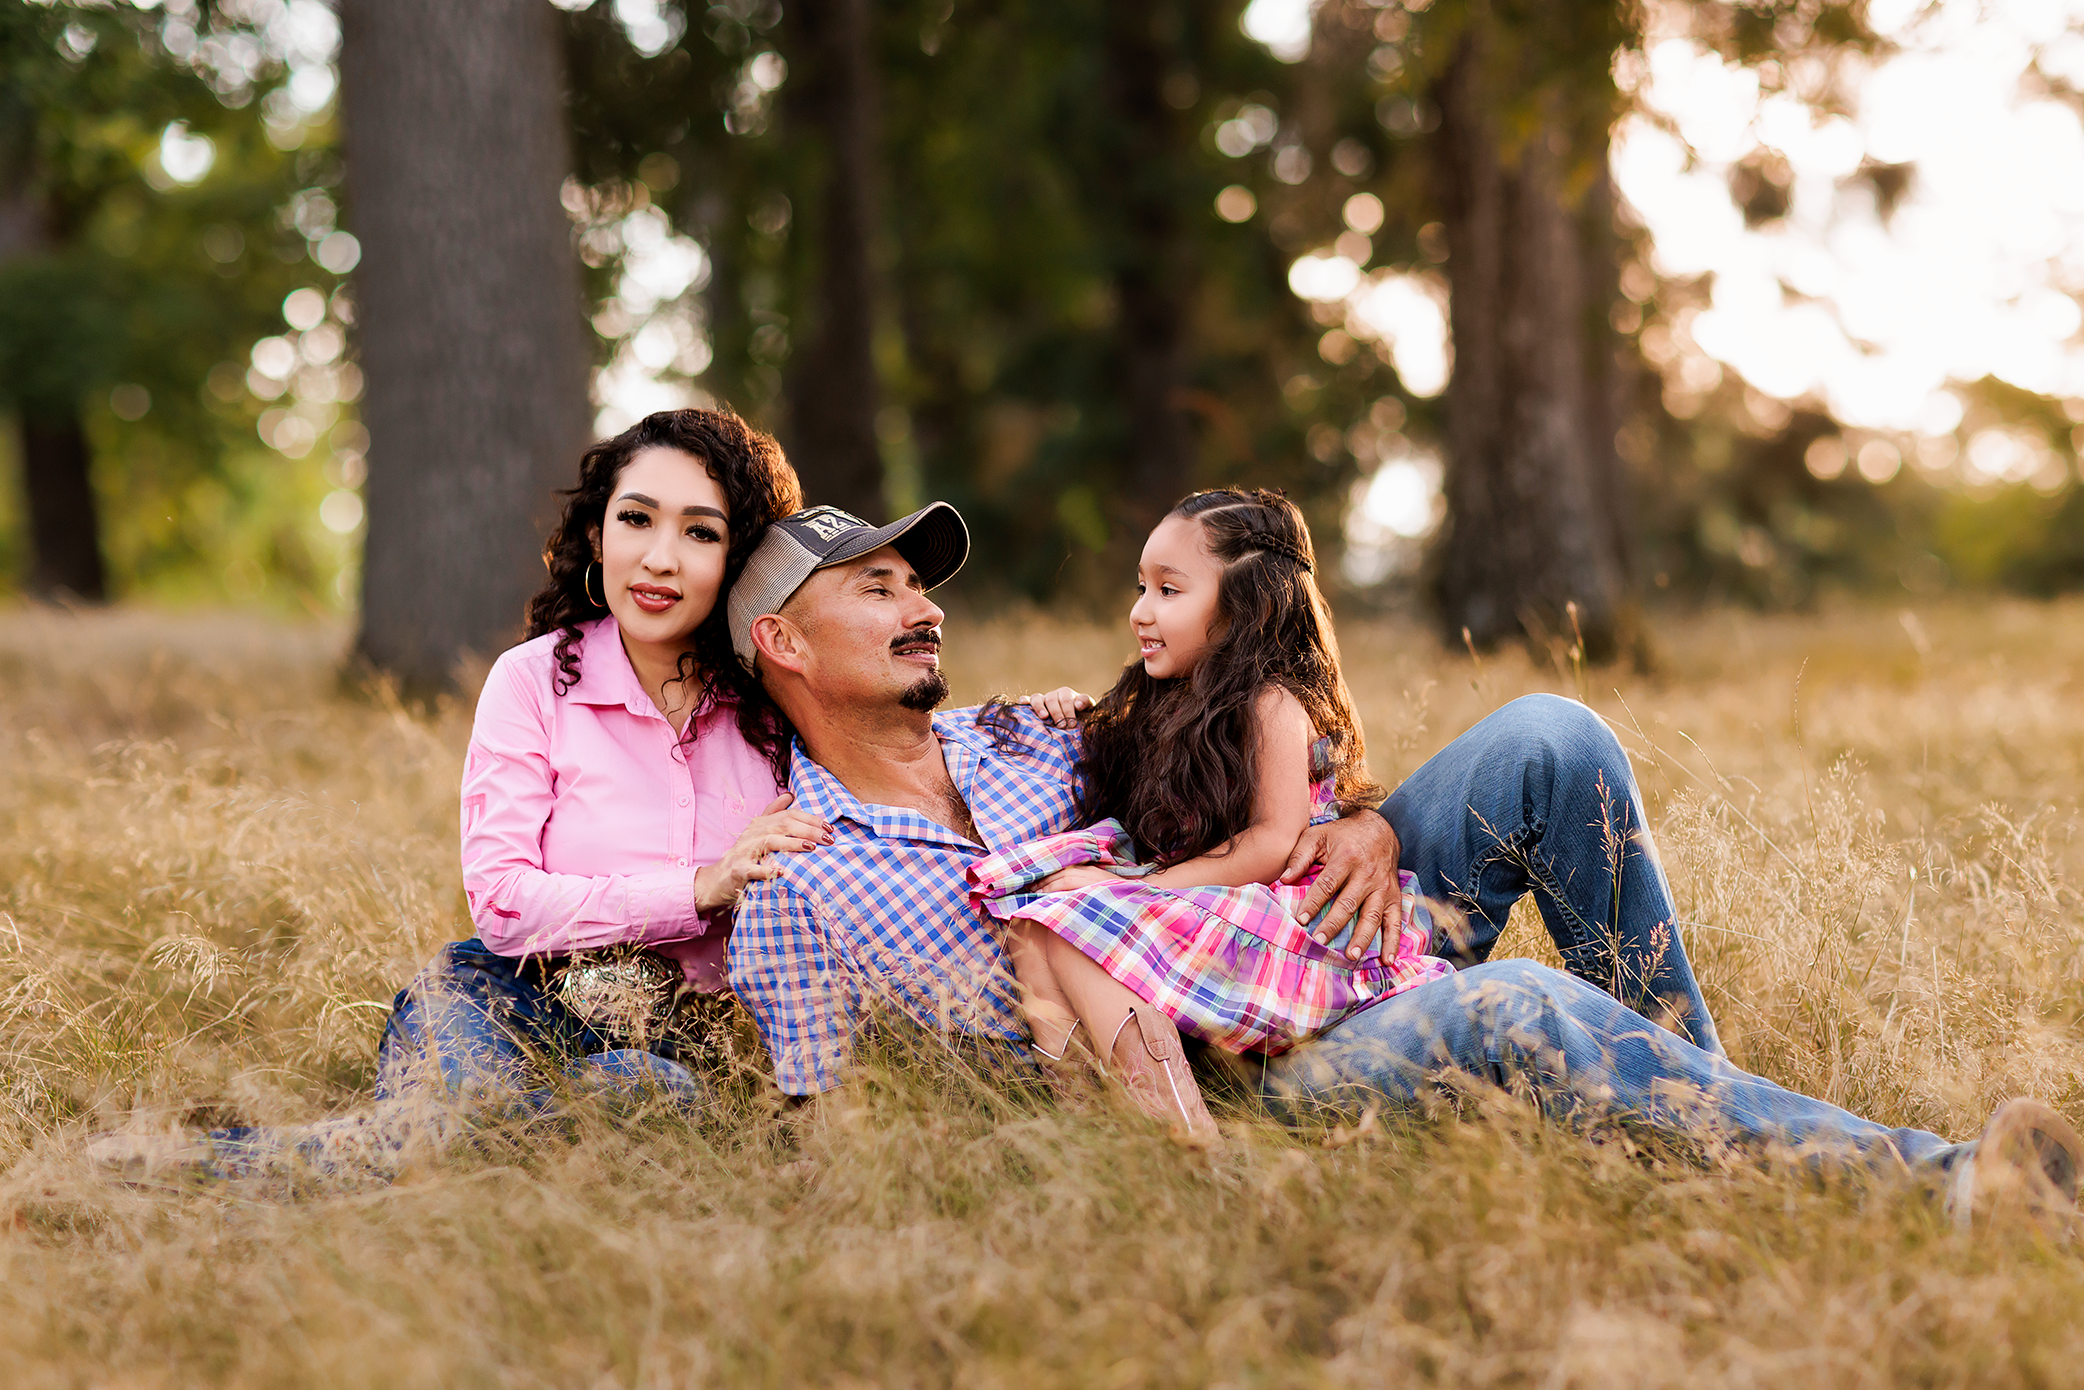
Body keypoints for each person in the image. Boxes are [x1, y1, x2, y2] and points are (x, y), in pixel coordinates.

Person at [726, 498, 2083, 1223]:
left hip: (1286, 941)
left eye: (919, 580)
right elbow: (829, 1133)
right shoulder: (801, 872)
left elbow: (1244, 745)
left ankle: (1709, 1120)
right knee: (1515, 1007)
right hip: (1231, 1080)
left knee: (1550, 735)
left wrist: (1361, 818)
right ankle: (1950, 1188)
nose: (924, 601)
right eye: (878, 587)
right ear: (782, 644)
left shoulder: (1025, 729)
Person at [94, 407, 827, 1179]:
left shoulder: (778, 706)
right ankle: (182, 1169)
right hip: (508, 997)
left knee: (647, 1093)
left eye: (700, 533)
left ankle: (234, 1163)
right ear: (597, 534)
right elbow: (506, 903)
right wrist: (700, 888)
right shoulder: (534, 681)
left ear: (742, 557)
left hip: (685, 1035)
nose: (658, 558)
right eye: (636, 519)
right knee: (461, 1129)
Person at [970, 489, 1452, 1142]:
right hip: (1218, 901)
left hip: (1285, 916)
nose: (1141, 611)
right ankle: (1081, 1121)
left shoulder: (1272, 703)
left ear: (1242, 609)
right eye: (1141, 587)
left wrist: (1136, 891)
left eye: (1169, 591)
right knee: (1034, 922)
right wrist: (1062, 709)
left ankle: (1189, 1139)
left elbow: (1275, 842)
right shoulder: (1168, 701)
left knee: (1073, 918)